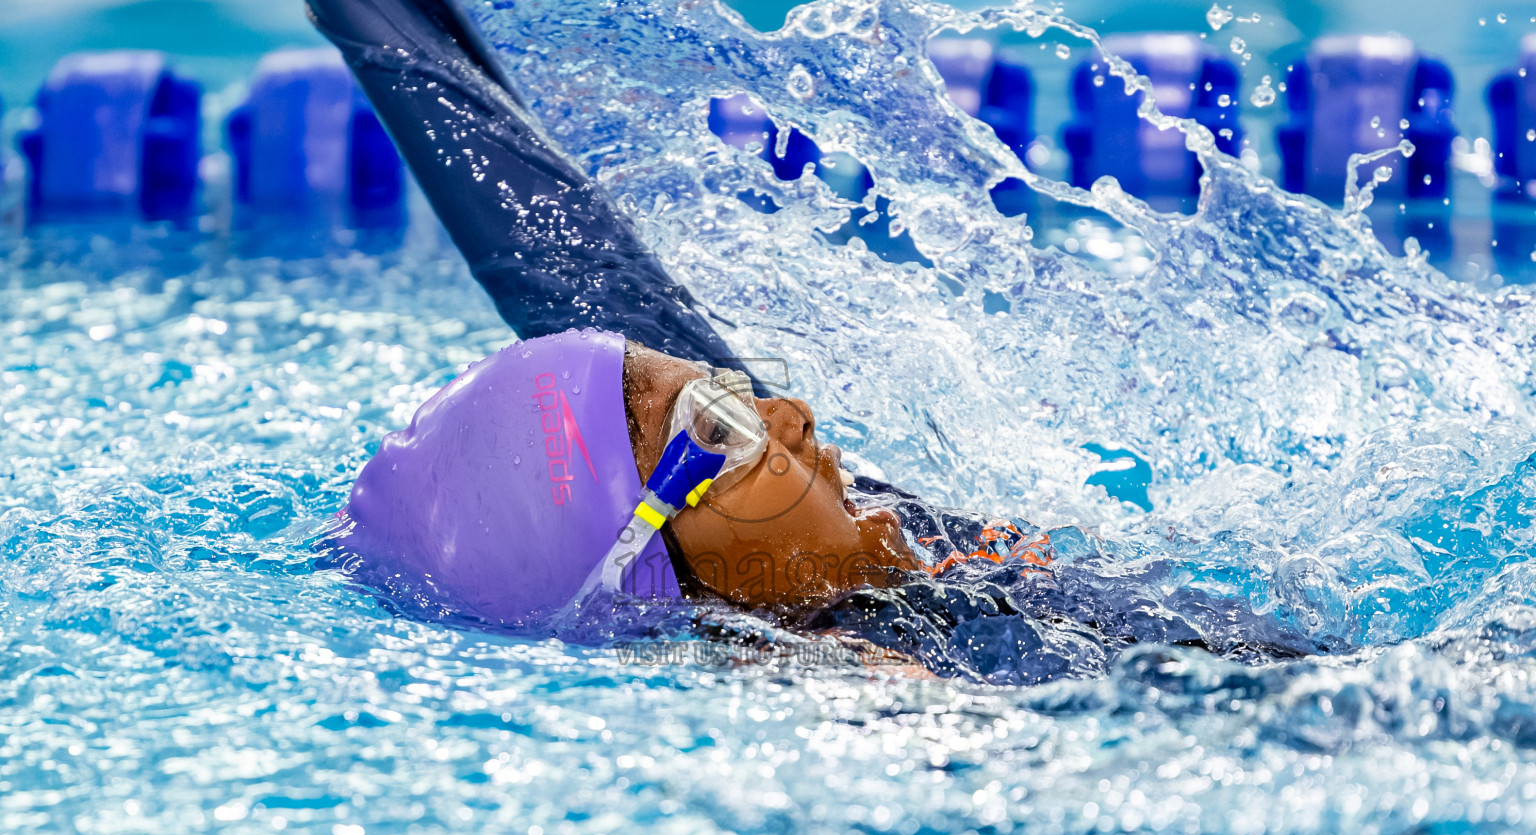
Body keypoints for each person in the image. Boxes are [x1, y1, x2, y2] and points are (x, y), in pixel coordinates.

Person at [315, 0, 1325, 679]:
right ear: (642, 569)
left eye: (730, 393)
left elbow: (561, 262)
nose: (788, 412)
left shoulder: (841, 541)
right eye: (721, 426)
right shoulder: (871, 679)